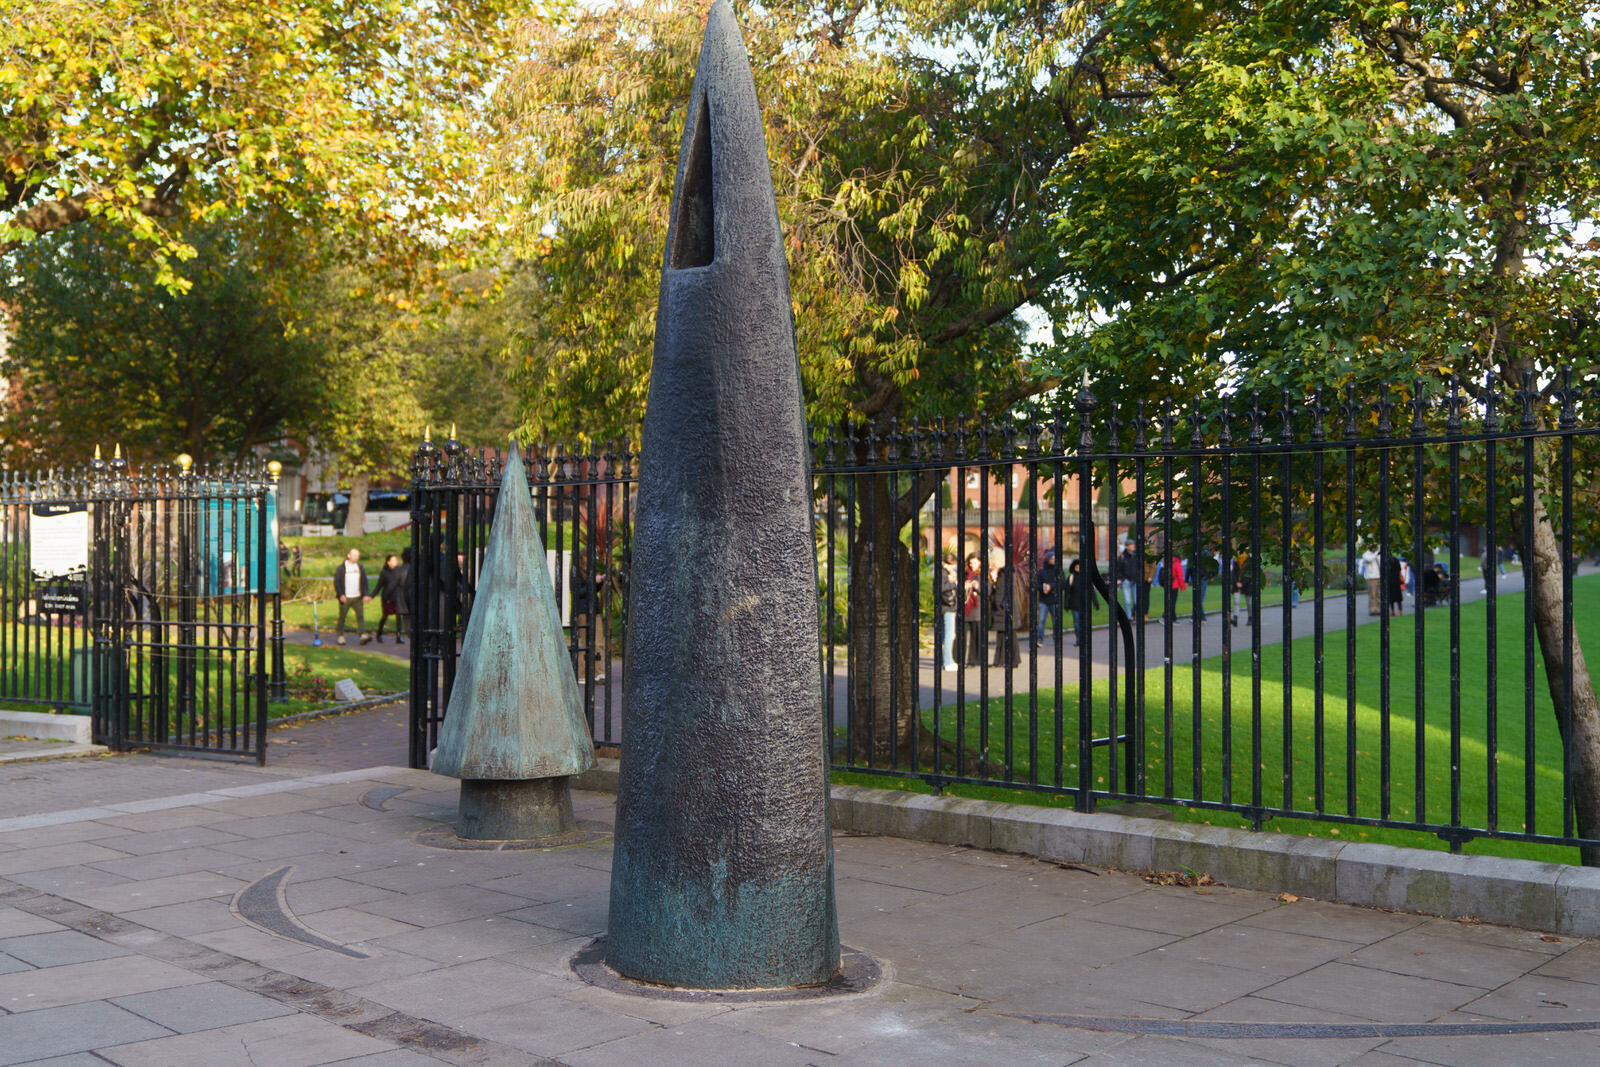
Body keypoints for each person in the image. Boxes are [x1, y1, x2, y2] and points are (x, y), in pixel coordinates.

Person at [989, 550, 1025, 669]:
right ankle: (1005, 660)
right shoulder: (1003, 574)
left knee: (1007, 635)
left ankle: (1006, 660)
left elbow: (1005, 591)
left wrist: (1000, 605)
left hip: (1004, 610)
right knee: (1005, 635)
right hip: (1003, 609)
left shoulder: (1005, 574)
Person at [332, 548, 371, 645]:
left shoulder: (360, 567)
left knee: (360, 616)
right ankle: (340, 636)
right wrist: (341, 594)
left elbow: (364, 581)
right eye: (354, 555)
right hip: (346, 597)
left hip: (357, 597)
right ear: (349, 555)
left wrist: (365, 594)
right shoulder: (342, 568)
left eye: (358, 555)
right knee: (342, 617)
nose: (356, 557)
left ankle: (362, 635)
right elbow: (337, 582)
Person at [373, 553, 408, 643]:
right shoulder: (384, 573)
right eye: (393, 560)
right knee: (385, 616)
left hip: (397, 597)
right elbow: (379, 586)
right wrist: (372, 595)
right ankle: (379, 633)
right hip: (387, 598)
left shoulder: (399, 571)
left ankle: (398, 636)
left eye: (396, 560)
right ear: (388, 562)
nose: (395, 562)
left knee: (398, 616)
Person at [936, 550, 960, 671]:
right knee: (950, 634)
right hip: (947, 606)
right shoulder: (944, 573)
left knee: (946, 634)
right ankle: (948, 661)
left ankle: (944, 660)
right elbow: (942, 588)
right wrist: (954, 584)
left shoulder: (942, 572)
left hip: (944, 607)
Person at [961, 552, 986, 667]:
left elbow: (988, 592)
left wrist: (977, 587)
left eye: (975, 563)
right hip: (965, 608)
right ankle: (960, 659)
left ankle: (975, 660)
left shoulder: (983, 575)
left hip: (977, 609)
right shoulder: (964, 574)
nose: (972, 565)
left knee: (977, 635)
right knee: (962, 636)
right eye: (970, 563)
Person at [1034, 549, 1064, 642]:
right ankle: (1039, 639)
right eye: (1052, 559)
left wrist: (1051, 586)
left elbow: (1062, 584)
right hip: (1044, 600)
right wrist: (1043, 588)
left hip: (1054, 599)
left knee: (1056, 621)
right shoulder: (1042, 571)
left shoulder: (1058, 571)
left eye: (1055, 559)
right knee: (1041, 621)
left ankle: (1057, 638)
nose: (1053, 561)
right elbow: (1036, 585)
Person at [1065, 557, 1090, 646]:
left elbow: (1091, 590)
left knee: (1084, 622)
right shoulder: (1071, 577)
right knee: (1076, 623)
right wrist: (1066, 603)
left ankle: (1084, 639)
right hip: (1074, 603)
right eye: (1076, 568)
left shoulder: (1085, 577)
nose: (1078, 569)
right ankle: (1079, 639)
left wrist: (1095, 601)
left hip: (1084, 603)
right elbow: (1067, 591)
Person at [1115, 542, 1140, 619]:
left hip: (1135, 581)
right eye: (1131, 545)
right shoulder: (1122, 557)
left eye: (1134, 545)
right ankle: (1129, 617)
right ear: (1126, 546)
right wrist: (1123, 578)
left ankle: (1133, 612)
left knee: (1136, 602)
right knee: (1127, 601)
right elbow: (1117, 569)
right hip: (1126, 581)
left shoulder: (1136, 556)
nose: (1133, 546)